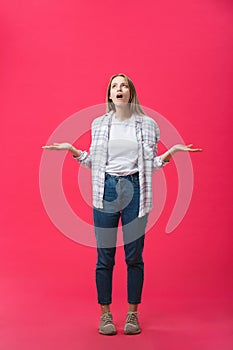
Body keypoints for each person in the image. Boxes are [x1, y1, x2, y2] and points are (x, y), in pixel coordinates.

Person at [42, 73, 202, 335]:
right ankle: (105, 315)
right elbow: (94, 161)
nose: (119, 89)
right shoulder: (99, 124)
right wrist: (72, 149)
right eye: (114, 86)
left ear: (130, 92)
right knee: (104, 257)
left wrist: (171, 153)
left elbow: (150, 164)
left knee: (134, 256)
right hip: (106, 189)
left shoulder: (148, 125)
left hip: (135, 189)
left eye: (123, 85)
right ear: (109, 94)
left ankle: (132, 314)